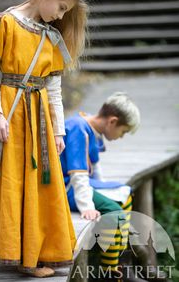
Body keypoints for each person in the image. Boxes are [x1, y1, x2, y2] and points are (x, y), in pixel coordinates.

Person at [0, 0, 89, 278]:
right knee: (12, 182)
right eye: (61, 8)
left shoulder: (50, 36)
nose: (59, 17)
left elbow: (53, 89)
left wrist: (58, 130)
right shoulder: (5, 23)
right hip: (12, 116)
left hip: (39, 117)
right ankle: (20, 256)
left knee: (43, 184)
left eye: (66, 12)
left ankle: (41, 251)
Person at [60, 92, 141, 279]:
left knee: (124, 193)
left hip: (81, 183)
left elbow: (95, 167)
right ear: (112, 121)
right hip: (65, 187)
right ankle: (110, 272)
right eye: (124, 131)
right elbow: (78, 173)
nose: (122, 137)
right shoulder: (78, 129)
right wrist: (87, 206)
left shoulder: (90, 126)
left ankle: (119, 260)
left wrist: (105, 191)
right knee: (115, 213)